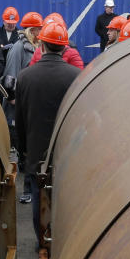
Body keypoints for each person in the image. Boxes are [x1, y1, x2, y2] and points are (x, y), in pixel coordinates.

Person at [14, 21, 81, 243]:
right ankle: (63, 243)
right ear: (64, 48)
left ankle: (41, 241)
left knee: (38, 198)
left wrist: (24, 151)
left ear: (41, 44)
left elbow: (20, 121)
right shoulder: (75, 76)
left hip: (36, 152)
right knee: (65, 199)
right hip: (67, 153)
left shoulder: (25, 77)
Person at [2, 11, 44, 202]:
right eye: (37, 29)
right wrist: (17, 103)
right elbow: (10, 80)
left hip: (31, 107)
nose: (39, 32)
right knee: (24, 149)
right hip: (19, 108)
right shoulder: (19, 48)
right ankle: (27, 191)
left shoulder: (37, 48)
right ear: (31, 30)